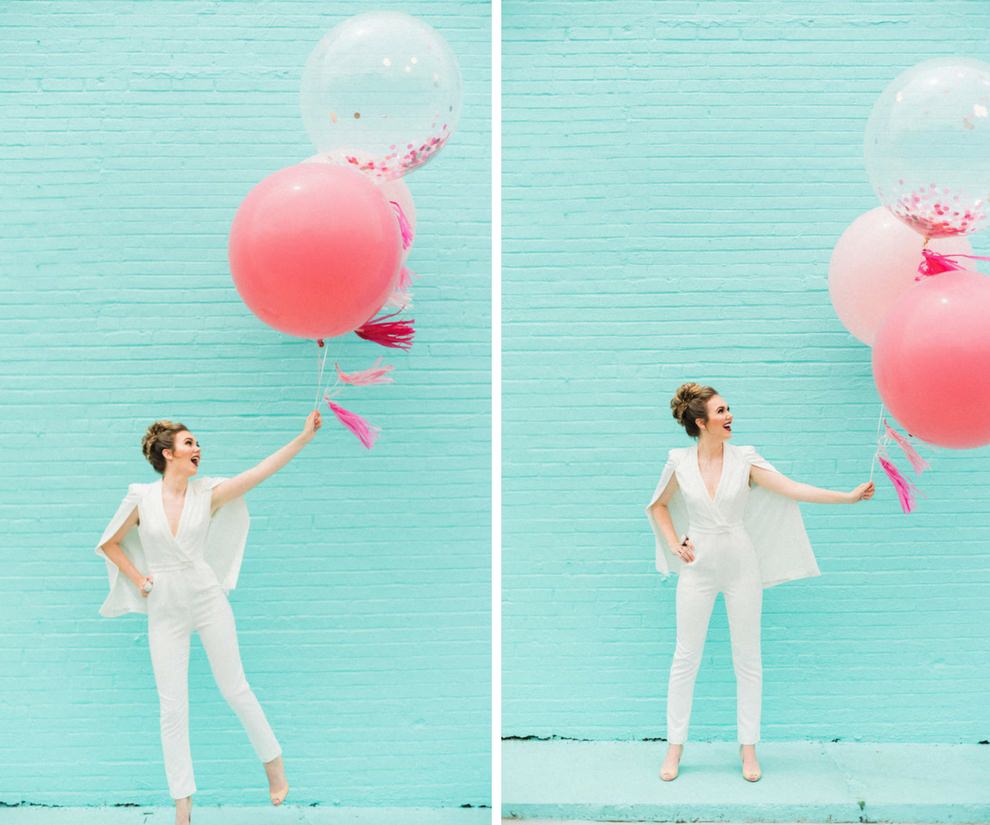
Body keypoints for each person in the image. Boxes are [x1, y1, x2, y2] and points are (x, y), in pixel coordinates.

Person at [96, 411, 322, 825]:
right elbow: (109, 543)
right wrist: (140, 579)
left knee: (234, 688)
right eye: (189, 444)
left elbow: (259, 472)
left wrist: (303, 437)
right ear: (168, 454)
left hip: (206, 595)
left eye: (196, 443)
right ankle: (183, 804)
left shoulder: (208, 493)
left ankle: (273, 764)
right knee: (172, 708)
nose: (197, 449)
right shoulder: (141, 497)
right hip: (165, 605)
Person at [646, 384, 873, 783]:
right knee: (685, 658)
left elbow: (792, 488)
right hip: (698, 568)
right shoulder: (679, 462)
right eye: (721, 411)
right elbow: (658, 505)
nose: (730, 415)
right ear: (701, 422)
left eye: (728, 408)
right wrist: (673, 543)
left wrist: (847, 498)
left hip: (741, 565)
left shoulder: (745, 459)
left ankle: (748, 749)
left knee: (747, 658)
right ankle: (674, 747)